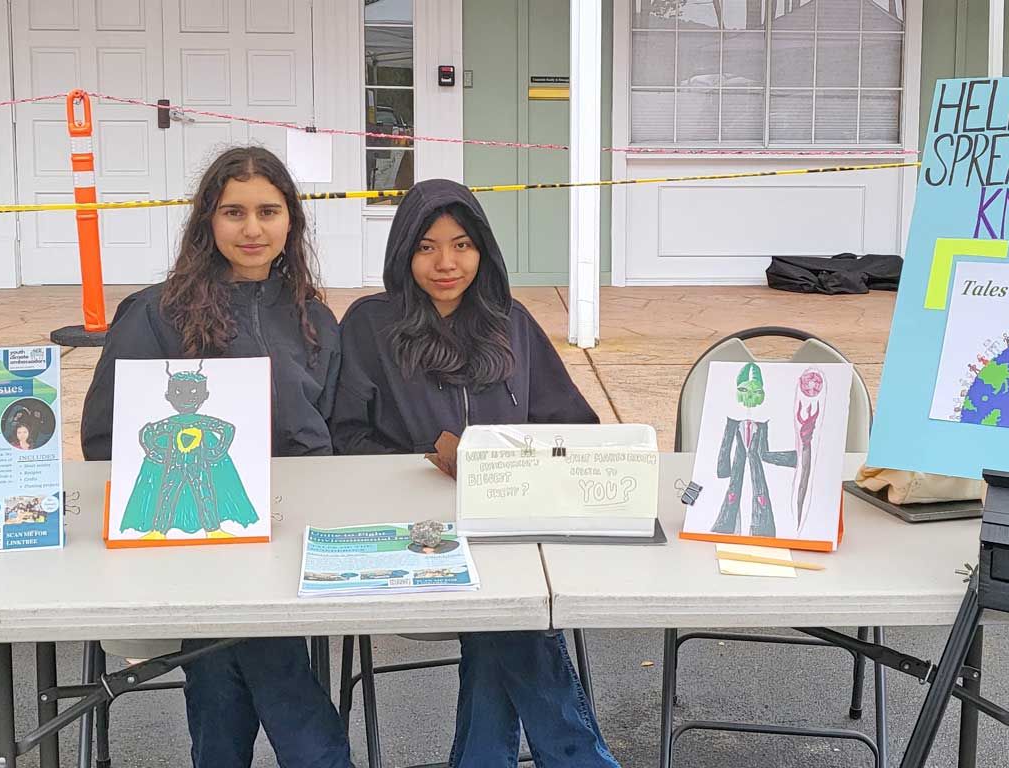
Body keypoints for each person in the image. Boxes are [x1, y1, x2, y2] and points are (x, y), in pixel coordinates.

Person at [331, 179, 620, 768]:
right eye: (426, 247)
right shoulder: (370, 324)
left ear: (482, 250)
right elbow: (343, 435)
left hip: (505, 523)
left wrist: (513, 461)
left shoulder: (508, 320)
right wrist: (426, 461)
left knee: (504, 612)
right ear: (402, 252)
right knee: (512, 618)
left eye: (461, 245)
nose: (446, 263)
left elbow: (570, 423)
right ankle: (579, 758)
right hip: (410, 529)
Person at [80, 145, 351, 768]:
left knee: (225, 658)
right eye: (233, 212)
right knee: (260, 649)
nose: (252, 229)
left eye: (268, 211)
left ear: (292, 221)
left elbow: (333, 432)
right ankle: (323, 757)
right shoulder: (155, 312)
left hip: (299, 533)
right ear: (207, 220)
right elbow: (106, 436)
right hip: (193, 528)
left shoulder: (315, 317)